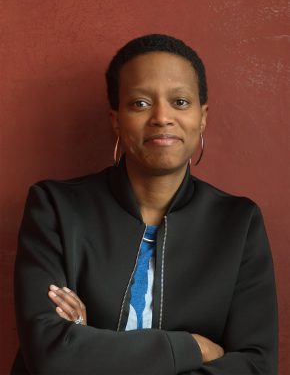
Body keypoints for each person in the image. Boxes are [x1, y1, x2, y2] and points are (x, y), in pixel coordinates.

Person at [12, 34, 278, 374]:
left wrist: (88, 343)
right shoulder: (54, 208)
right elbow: (51, 357)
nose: (162, 117)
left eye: (180, 102)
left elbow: (256, 365)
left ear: (203, 117)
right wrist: (193, 346)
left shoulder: (238, 223)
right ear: (115, 120)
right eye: (140, 103)